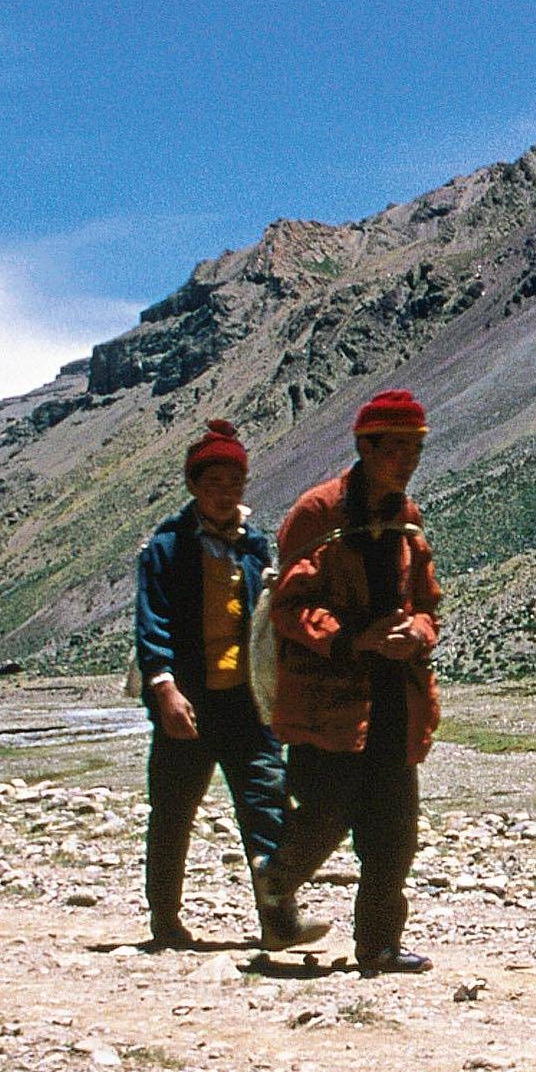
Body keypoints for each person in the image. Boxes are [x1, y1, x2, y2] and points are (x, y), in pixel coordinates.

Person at [264, 387, 442, 972]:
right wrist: (353, 638)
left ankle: (379, 945)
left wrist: (417, 632)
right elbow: (290, 606)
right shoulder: (316, 514)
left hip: (394, 696)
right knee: (325, 815)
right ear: (365, 448)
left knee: (395, 830)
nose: (408, 461)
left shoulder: (407, 518)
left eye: (415, 450)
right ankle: (276, 879)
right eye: (397, 449)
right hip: (327, 700)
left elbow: (428, 603)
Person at [132, 418, 292, 952]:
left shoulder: (254, 548)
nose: (225, 494)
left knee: (267, 801)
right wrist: (165, 690)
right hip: (188, 701)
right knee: (174, 809)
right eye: (214, 483)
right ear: (194, 486)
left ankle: (277, 918)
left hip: (245, 700)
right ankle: (165, 918)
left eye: (235, 484)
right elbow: (152, 624)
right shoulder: (165, 548)